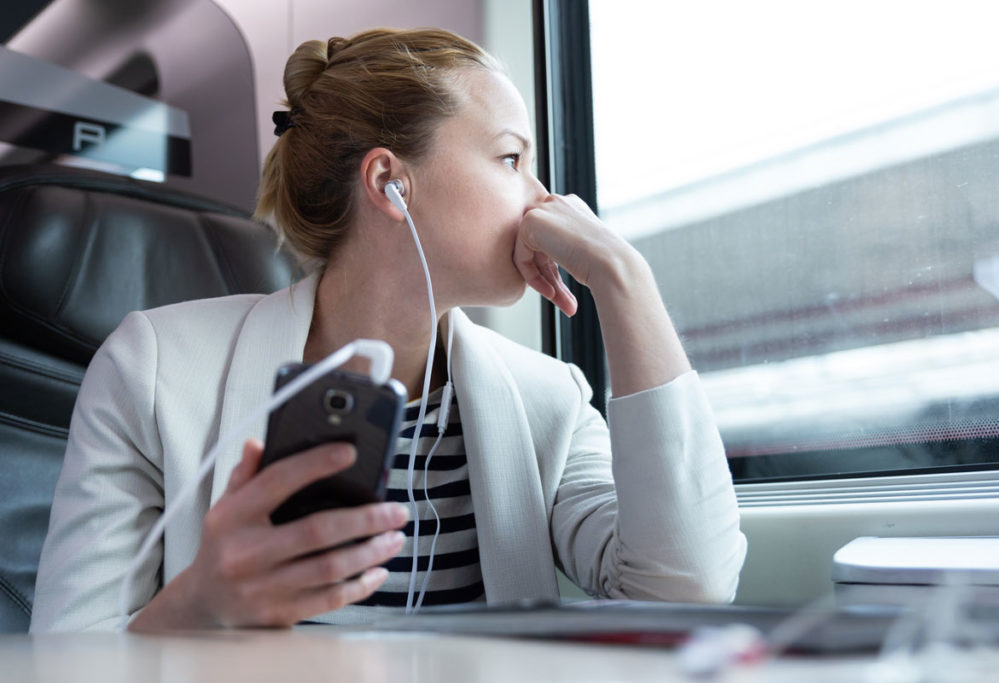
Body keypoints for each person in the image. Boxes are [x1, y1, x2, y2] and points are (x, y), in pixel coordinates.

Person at [30, 28, 746, 632]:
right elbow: (57, 665)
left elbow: (684, 592)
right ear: (388, 182)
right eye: (511, 159)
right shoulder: (152, 369)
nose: (548, 199)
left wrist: (625, 281)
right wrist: (200, 605)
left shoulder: (546, 398)